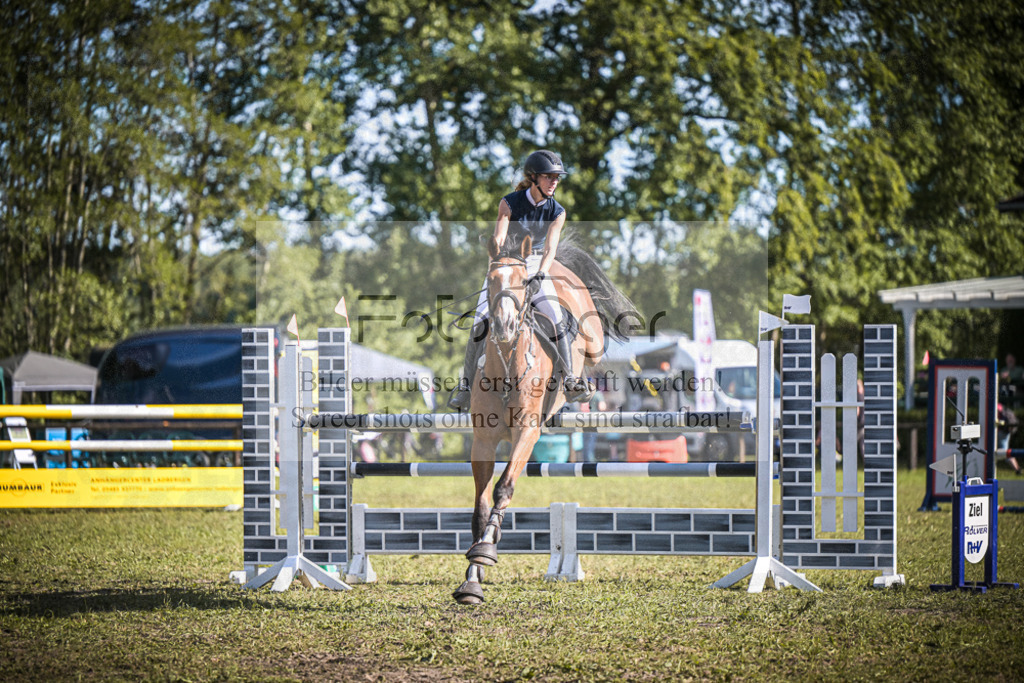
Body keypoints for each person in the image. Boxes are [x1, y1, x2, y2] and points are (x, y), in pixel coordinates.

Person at [449, 150, 591, 410]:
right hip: (506, 263)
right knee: (480, 319)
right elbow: (499, 240)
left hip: (537, 263)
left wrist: (540, 275)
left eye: (557, 178)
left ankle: (570, 379)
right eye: (549, 177)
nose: (554, 182)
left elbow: (550, 250)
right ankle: (466, 387)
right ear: (534, 177)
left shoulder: (557, 212)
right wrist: (497, 271)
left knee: (555, 316)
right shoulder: (510, 203)